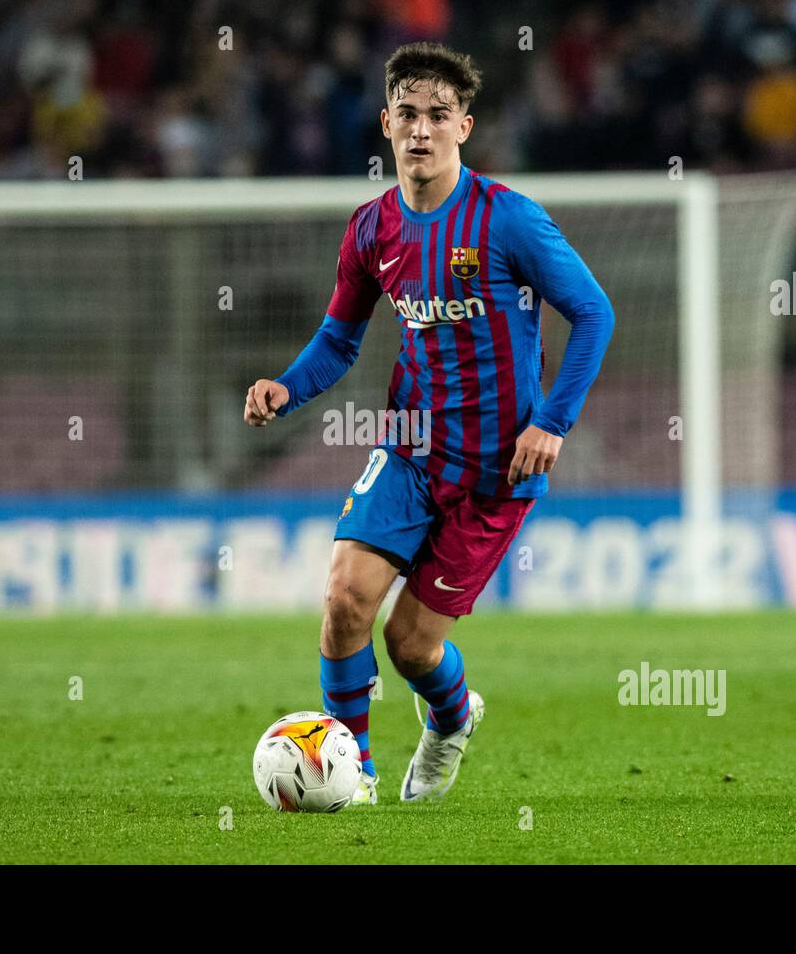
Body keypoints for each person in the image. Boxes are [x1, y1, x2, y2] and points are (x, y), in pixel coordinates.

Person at [244, 42, 615, 804]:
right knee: (345, 599)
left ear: (465, 127)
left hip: (496, 472)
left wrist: (552, 423)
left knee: (410, 645)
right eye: (407, 114)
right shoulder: (371, 229)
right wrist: (286, 387)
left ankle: (451, 719)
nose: (421, 130)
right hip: (410, 452)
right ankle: (360, 779)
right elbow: (340, 340)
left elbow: (593, 311)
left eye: (438, 116)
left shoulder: (507, 220)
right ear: (385, 123)